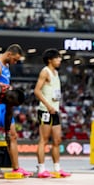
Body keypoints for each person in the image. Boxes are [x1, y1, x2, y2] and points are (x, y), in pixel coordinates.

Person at [0, 44, 32, 177]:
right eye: (15, 60)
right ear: (9, 54)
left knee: (12, 135)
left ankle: (16, 168)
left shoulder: (6, 66)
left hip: (6, 105)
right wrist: (6, 86)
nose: (16, 62)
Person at [34, 48, 71, 178]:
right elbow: (37, 91)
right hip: (46, 110)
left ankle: (57, 168)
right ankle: (41, 169)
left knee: (57, 140)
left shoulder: (56, 72)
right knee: (43, 140)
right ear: (50, 60)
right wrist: (48, 106)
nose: (60, 60)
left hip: (55, 110)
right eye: (57, 58)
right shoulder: (45, 72)